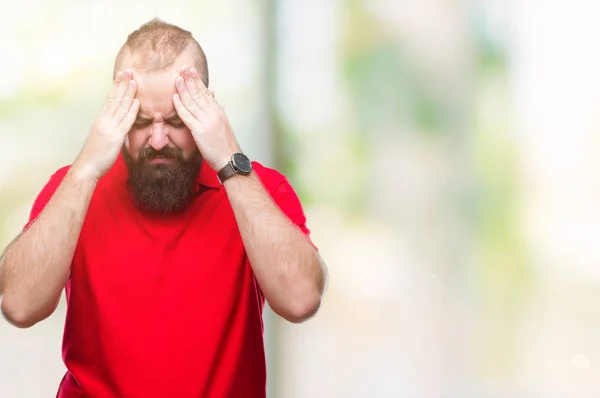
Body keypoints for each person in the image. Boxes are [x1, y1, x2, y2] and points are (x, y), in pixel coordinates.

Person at [0, 18, 327, 398]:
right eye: (139, 122)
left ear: (205, 110)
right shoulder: (73, 189)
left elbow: (302, 299)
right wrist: (85, 169)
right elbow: (19, 306)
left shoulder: (259, 189)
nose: (157, 140)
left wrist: (229, 158)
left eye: (176, 120)